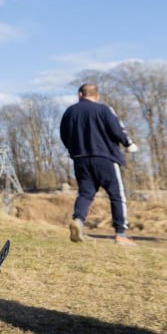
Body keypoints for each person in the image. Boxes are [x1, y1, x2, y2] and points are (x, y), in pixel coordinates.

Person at [59, 83, 138, 245]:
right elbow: (117, 129)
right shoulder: (103, 109)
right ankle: (121, 234)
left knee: (86, 193)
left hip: (80, 159)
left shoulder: (69, 112)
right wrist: (128, 144)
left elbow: (64, 134)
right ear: (97, 95)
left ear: (80, 94)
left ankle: (78, 221)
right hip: (105, 158)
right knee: (116, 195)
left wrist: (73, 150)